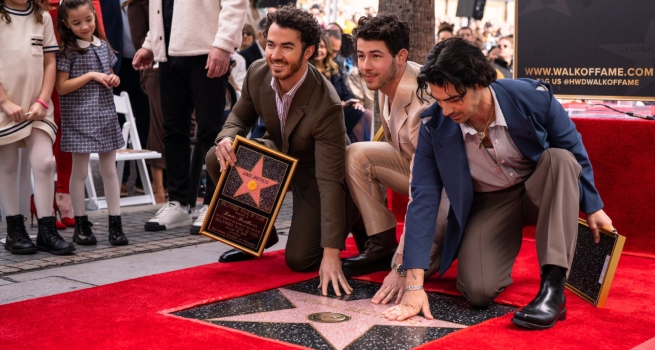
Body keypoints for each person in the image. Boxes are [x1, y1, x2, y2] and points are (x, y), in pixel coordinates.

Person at [382, 38, 615, 330]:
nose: (446, 110)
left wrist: (593, 206)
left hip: (539, 186)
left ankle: (553, 289)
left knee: (561, 159)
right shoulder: (434, 126)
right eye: (439, 100)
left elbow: (573, 146)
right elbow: (424, 198)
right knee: (477, 290)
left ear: (479, 82)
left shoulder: (532, 96)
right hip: (490, 202)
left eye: (454, 99)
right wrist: (414, 287)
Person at [207, 5, 356, 297]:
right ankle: (254, 237)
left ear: (309, 51)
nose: (275, 54)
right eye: (271, 44)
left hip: (318, 174)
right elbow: (239, 117)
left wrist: (331, 253)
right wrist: (226, 137)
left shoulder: (327, 103)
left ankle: (355, 215)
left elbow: (329, 183)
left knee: (301, 261)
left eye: (287, 47)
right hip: (280, 158)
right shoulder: (257, 72)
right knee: (218, 155)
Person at [341, 14, 449, 282]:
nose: (365, 65)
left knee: (406, 270)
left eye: (375, 56)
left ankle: (449, 242)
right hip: (417, 173)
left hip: (447, 193)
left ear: (401, 56)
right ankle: (380, 242)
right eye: (361, 55)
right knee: (356, 154)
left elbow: (429, 186)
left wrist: (404, 260)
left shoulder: (423, 102)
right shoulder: (384, 78)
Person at [132, 0, 247, 234]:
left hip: (207, 50)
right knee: (173, 129)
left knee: (210, 129)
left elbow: (235, 3)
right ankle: (179, 202)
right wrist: (150, 45)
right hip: (168, 54)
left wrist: (224, 46)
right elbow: (162, 8)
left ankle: (212, 203)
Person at [0, 0, 74, 255]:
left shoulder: (41, 16)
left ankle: (46, 229)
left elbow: (49, 62)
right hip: (4, 105)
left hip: (38, 105)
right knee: (8, 165)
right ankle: (14, 230)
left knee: (45, 162)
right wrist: (5, 102)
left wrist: (43, 100)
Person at [55, 0, 129, 247]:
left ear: (95, 16)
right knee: (80, 171)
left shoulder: (103, 45)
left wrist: (113, 78)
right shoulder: (66, 50)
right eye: (76, 23)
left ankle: (115, 224)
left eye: (88, 20)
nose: (84, 26)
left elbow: (107, 73)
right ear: (66, 24)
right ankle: (82, 224)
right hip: (78, 117)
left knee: (109, 170)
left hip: (105, 115)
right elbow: (61, 88)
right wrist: (90, 76)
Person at [311, 33, 371, 142]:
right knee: (358, 114)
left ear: (328, 49)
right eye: (317, 47)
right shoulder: (308, 71)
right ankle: (359, 149)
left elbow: (345, 91)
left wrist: (354, 102)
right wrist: (339, 104)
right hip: (322, 114)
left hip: (340, 109)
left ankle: (365, 147)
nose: (319, 50)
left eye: (322, 47)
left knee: (366, 113)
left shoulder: (334, 69)